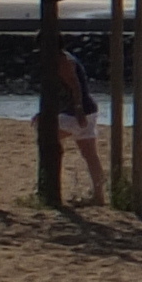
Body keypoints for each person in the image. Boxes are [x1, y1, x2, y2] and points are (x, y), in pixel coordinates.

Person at [41, 40, 106, 202]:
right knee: (90, 155)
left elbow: (74, 85)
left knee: (47, 137)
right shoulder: (67, 58)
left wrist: (78, 109)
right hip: (88, 110)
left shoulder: (62, 60)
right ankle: (99, 195)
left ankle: (50, 186)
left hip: (79, 113)